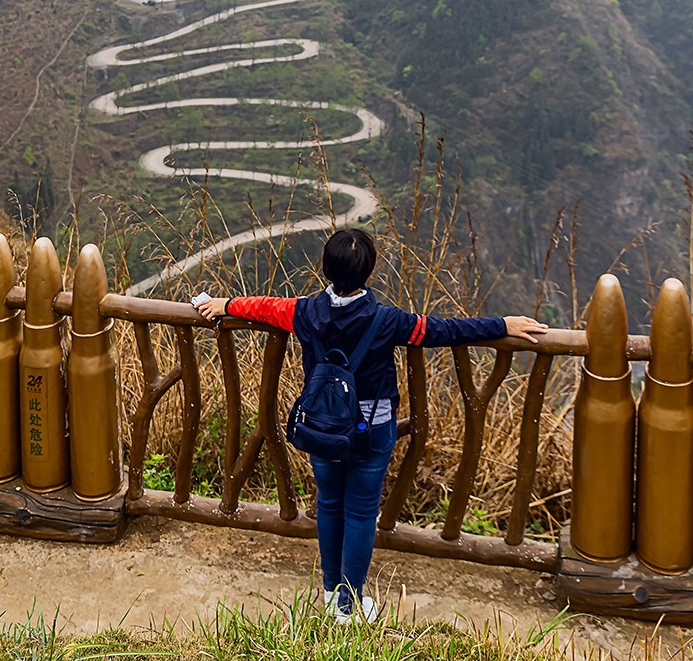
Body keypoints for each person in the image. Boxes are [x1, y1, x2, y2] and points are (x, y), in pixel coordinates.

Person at [197, 228, 547, 623]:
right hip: (372, 429)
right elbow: (446, 329)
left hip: (324, 427)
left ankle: (331, 593)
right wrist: (501, 325)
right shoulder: (389, 321)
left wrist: (224, 304)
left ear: (325, 268)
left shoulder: (303, 312)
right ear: (370, 271)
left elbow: (263, 308)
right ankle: (349, 603)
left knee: (329, 505)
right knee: (361, 513)